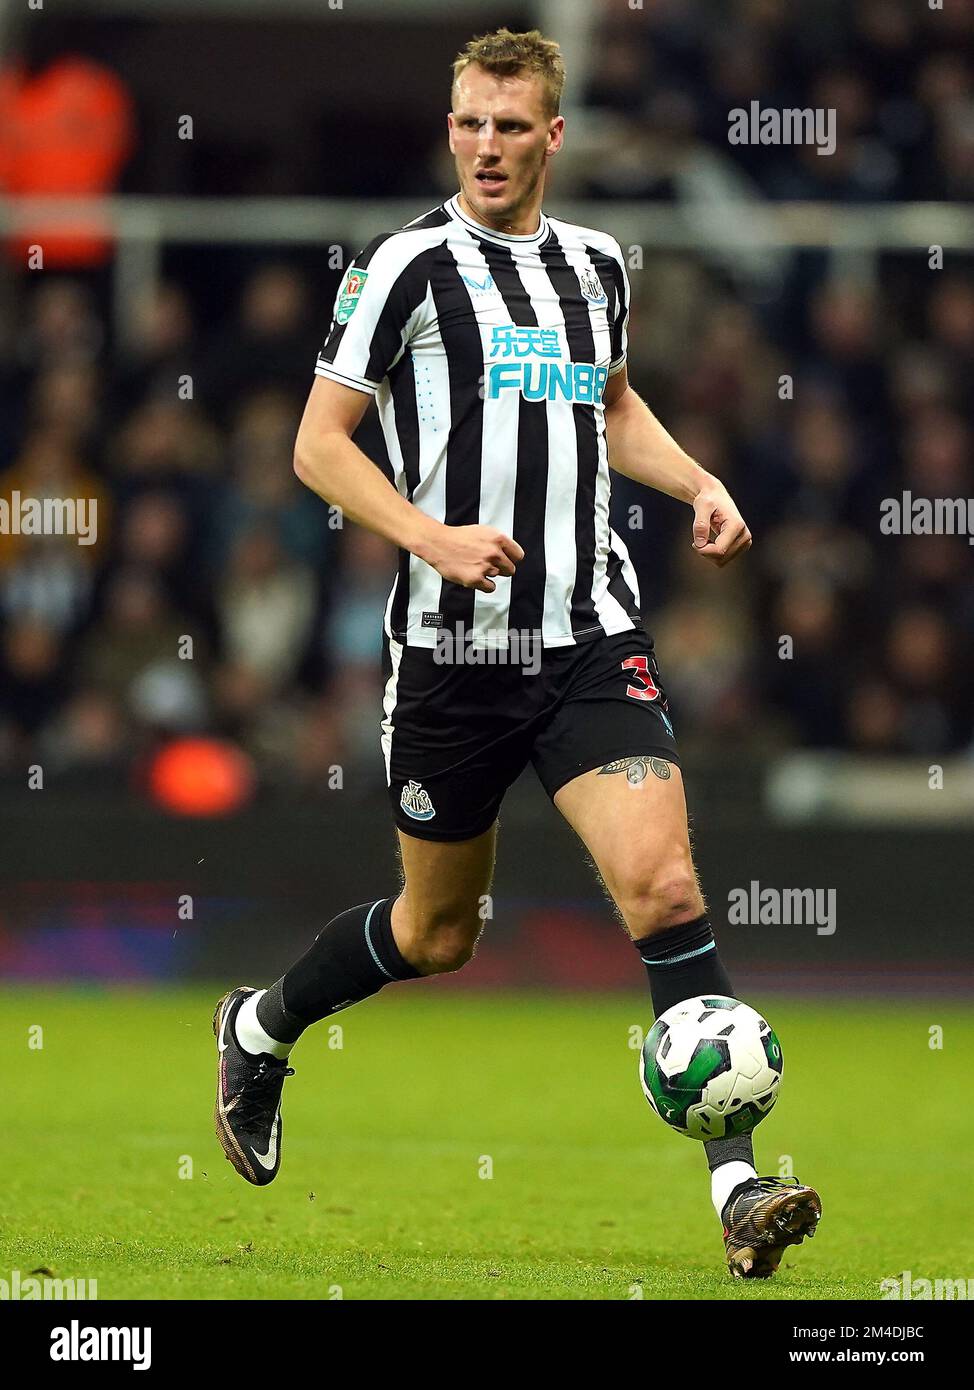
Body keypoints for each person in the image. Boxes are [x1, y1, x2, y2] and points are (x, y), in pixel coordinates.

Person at [213, 27, 820, 1280]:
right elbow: (319, 447)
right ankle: (261, 1027)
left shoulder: (596, 266)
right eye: (468, 124)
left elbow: (607, 405)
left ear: (553, 136)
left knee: (662, 889)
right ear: (451, 131)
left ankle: (737, 1186)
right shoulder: (400, 267)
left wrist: (695, 479)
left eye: (510, 126)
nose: (486, 146)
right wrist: (430, 536)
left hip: (586, 639)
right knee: (439, 937)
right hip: (448, 657)